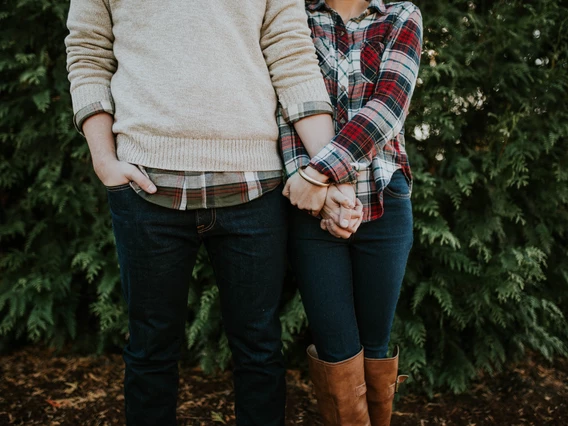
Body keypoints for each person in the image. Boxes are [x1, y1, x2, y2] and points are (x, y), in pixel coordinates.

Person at [64, 1, 351, 425]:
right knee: (150, 349)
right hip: (146, 188)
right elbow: (88, 53)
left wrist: (331, 170)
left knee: (259, 351)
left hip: (254, 188)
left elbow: (292, 57)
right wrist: (104, 160)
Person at [279, 0, 423, 425]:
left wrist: (320, 175)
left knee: (376, 347)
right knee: (336, 351)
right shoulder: (294, 15)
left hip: (384, 197)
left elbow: (388, 108)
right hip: (312, 208)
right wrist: (318, 192)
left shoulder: (400, 15)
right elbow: (285, 106)